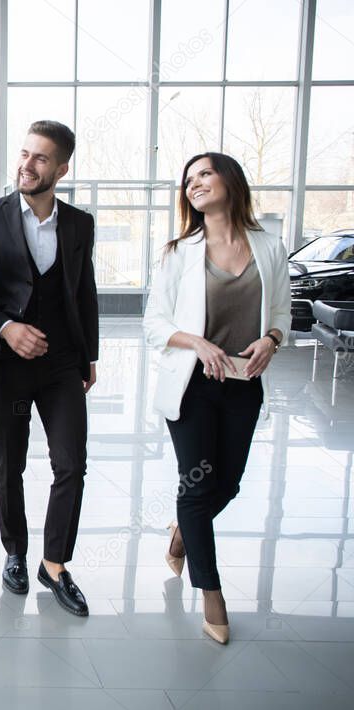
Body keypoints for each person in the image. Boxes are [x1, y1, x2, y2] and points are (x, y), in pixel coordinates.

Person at [143, 152, 290, 644]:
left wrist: (271, 338)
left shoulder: (269, 247)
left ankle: (183, 530)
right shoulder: (178, 253)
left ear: (230, 179)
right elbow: (154, 324)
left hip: (244, 383)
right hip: (193, 385)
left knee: (227, 485)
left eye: (205, 173)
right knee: (198, 484)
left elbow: (283, 313)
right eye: (188, 180)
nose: (195, 184)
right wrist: (197, 342)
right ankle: (211, 592)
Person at [0, 121, 98, 618]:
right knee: (11, 461)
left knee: (71, 463)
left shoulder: (79, 224)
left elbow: (83, 291)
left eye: (40, 158)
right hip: (9, 364)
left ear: (61, 168)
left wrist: (90, 354)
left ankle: (55, 562)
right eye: (24, 153)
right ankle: (16, 553)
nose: (26, 164)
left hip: (64, 361)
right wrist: (4, 328)